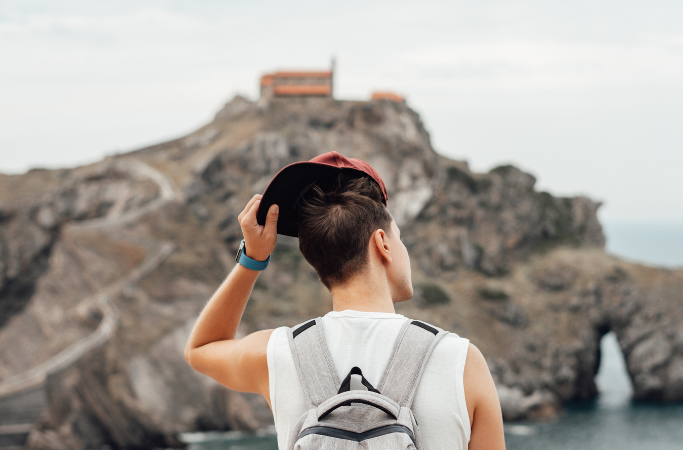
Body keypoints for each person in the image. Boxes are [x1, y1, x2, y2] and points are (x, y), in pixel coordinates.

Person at [184, 151, 505, 450]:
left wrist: (252, 259)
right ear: (383, 243)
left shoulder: (277, 354)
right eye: (400, 238)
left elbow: (200, 349)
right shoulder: (462, 360)